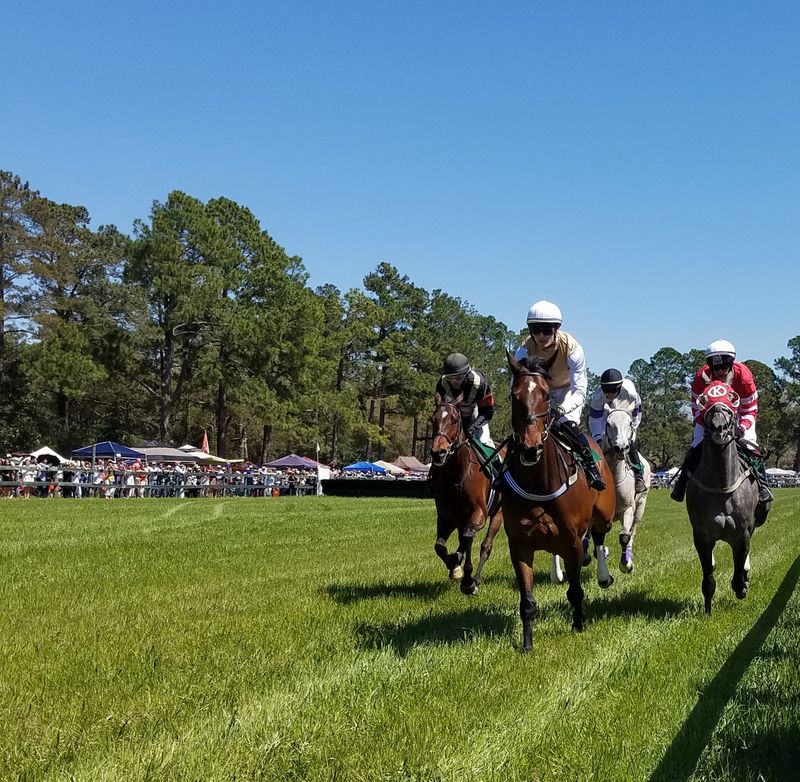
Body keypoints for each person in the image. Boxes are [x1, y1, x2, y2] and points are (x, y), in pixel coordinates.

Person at [670, 339, 772, 518]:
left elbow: (750, 408)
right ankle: (681, 484)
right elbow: (695, 406)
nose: (719, 372)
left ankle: (763, 487)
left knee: (750, 446)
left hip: (740, 416)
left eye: (724, 368)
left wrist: (741, 428)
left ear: (731, 364)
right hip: (708, 418)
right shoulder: (700, 378)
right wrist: (704, 423)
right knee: (697, 443)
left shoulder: (744, 377)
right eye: (715, 368)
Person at [514, 300, 605, 490]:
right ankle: (505, 474)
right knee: (522, 430)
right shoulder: (523, 349)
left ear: (556, 328)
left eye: (546, 330)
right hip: (538, 394)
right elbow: (516, 383)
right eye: (536, 329)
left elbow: (579, 390)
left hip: (567, 392)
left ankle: (591, 468)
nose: (540, 335)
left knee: (567, 425)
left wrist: (561, 409)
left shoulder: (573, 349)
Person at [589, 368, 647, 492]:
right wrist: (598, 439)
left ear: (620, 387)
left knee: (629, 443)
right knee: (598, 445)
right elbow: (595, 421)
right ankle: (593, 473)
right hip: (606, 418)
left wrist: (631, 434)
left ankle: (639, 474)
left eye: (613, 390)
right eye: (606, 390)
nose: (609, 394)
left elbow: (636, 415)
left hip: (626, 416)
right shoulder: (598, 397)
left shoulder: (631, 395)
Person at [435, 352, 495, 447]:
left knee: (484, 441)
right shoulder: (443, 383)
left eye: (459, 377)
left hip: (476, 413)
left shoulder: (479, 384)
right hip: (453, 416)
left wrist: (474, 426)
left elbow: (487, 411)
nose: (455, 382)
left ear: (467, 373)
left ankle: (495, 459)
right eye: (451, 377)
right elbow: (440, 411)